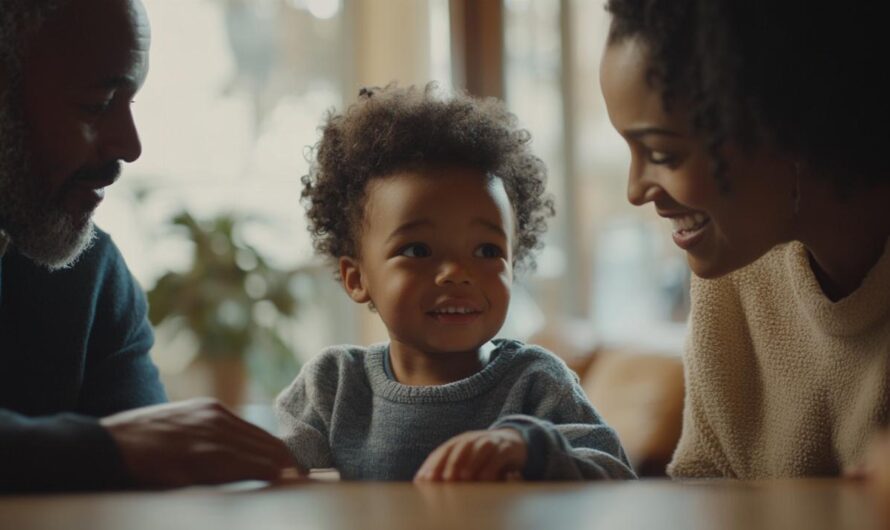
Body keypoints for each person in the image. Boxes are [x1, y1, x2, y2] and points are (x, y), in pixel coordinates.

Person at [0, 0, 293, 491]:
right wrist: (101, 449)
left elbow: (152, 472)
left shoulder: (93, 279)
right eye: (96, 105)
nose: (130, 146)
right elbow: (127, 450)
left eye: (128, 103)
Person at [275, 85, 635, 481]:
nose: (457, 272)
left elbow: (617, 476)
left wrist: (530, 449)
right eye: (417, 250)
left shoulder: (535, 382)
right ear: (357, 278)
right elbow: (274, 479)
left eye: (485, 251)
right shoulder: (332, 386)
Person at [600, 0, 890, 478]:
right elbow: (703, 480)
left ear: (784, 121)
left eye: (661, 152)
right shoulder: (736, 271)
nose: (635, 191)